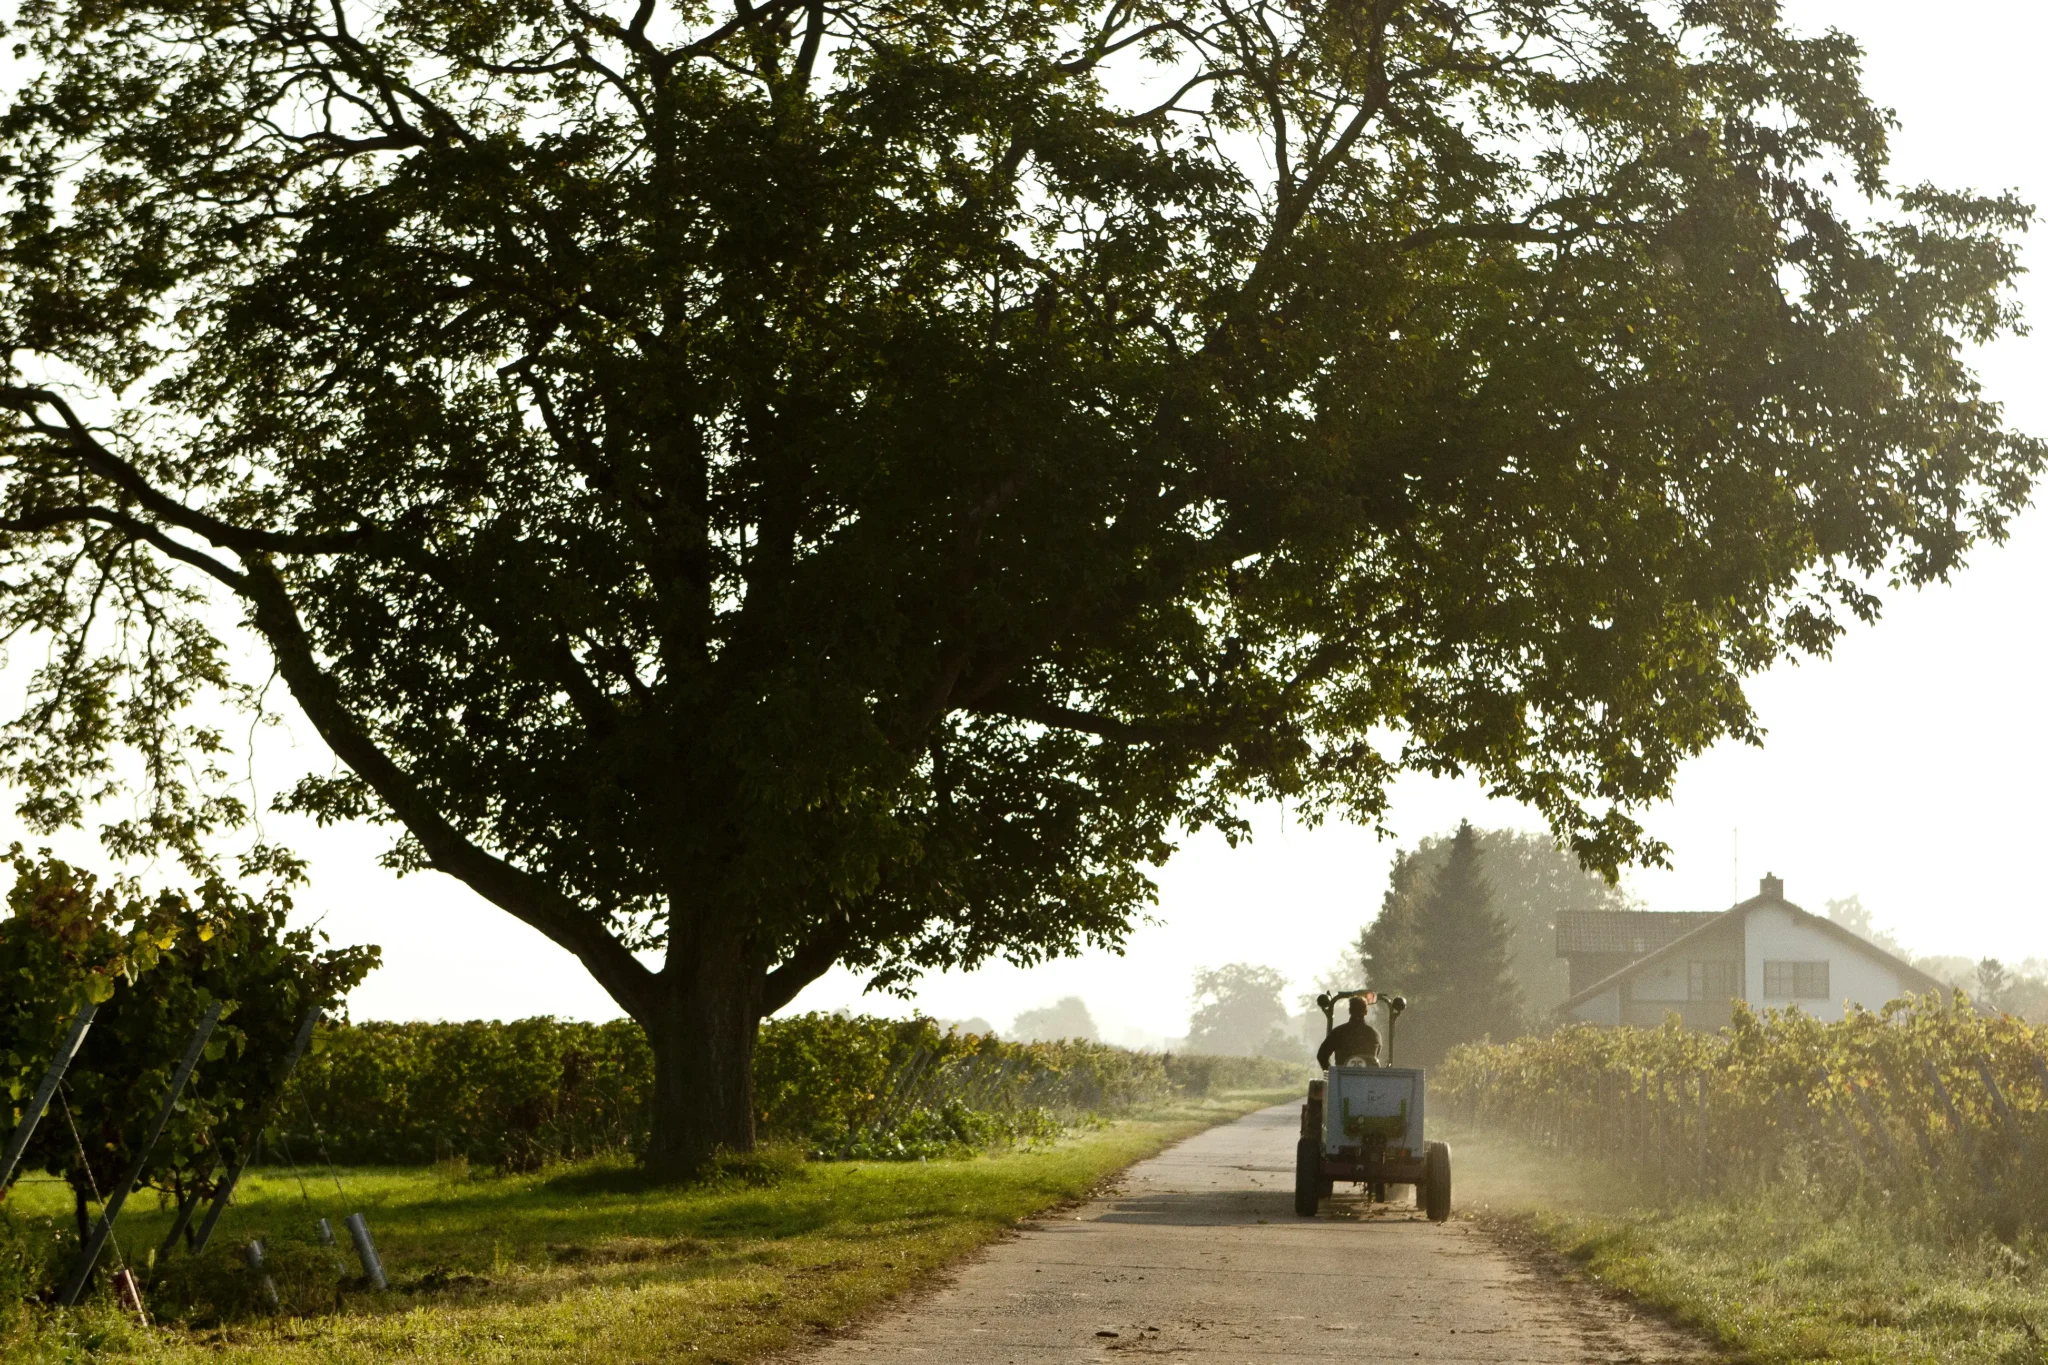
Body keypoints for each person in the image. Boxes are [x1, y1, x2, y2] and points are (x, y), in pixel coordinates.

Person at [1316, 996, 1381, 1068]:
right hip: (1369, 1078)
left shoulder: (1338, 1033)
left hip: (1341, 1078)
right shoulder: (1375, 1035)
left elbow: (1321, 1056)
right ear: (1366, 1012)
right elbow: (1375, 1056)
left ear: (1350, 1011)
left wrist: (1332, 1074)